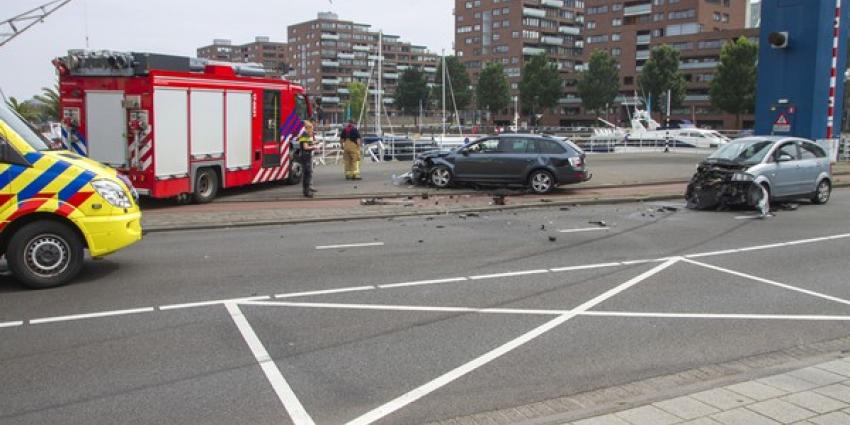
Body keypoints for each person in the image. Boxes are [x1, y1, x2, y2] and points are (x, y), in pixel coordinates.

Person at [298, 121, 318, 198]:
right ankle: (306, 192)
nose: (312, 131)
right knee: (307, 174)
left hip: (304, 155)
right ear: (308, 128)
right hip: (306, 156)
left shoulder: (304, 135)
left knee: (306, 173)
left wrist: (314, 143)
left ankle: (305, 190)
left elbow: (306, 143)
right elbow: (305, 147)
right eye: (312, 129)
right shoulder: (305, 134)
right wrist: (314, 147)